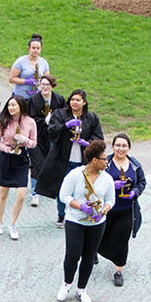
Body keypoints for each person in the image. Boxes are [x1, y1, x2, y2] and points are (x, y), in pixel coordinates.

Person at [55, 140, 115, 302]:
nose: (107, 162)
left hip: (97, 223)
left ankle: (82, 289)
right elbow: (64, 195)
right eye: (104, 159)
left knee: (89, 256)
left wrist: (104, 210)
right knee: (73, 254)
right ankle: (67, 283)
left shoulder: (107, 179)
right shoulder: (75, 175)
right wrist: (81, 206)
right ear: (95, 160)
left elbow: (111, 200)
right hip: (75, 220)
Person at [34, 89, 103, 228]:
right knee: (63, 188)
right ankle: (61, 215)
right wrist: (65, 126)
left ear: (84, 102)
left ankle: (79, 214)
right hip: (62, 159)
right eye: (72, 99)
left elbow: (98, 138)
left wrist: (87, 144)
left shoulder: (91, 118)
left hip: (82, 161)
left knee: (82, 189)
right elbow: (51, 132)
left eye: (78, 100)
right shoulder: (60, 114)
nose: (74, 102)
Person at [98, 133, 146, 287]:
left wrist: (135, 193)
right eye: (118, 145)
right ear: (112, 147)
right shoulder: (104, 163)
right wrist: (111, 186)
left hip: (126, 209)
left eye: (124, 145)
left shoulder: (135, 165)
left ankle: (118, 271)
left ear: (129, 148)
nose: (121, 148)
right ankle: (94, 251)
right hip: (107, 209)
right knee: (99, 236)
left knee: (122, 239)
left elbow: (142, 182)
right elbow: (94, 182)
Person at [0, 96, 37, 240]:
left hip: (21, 157)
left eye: (14, 105)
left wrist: (25, 140)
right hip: (7, 156)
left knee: (21, 195)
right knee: (3, 193)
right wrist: (7, 149)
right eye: (9, 105)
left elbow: (34, 143)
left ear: (21, 106)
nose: (11, 108)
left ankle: (13, 224)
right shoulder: (2, 121)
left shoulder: (30, 122)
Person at [27, 73, 65, 207]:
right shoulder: (34, 100)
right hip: (37, 136)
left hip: (52, 137)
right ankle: (35, 192)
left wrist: (54, 122)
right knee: (37, 164)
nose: (45, 87)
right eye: (42, 84)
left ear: (52, 86)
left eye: (47, 85)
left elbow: (64, 115)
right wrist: (44, 121)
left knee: (51, 162)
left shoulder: (59, 99)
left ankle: (49, 189)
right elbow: (30, 119)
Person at [8, 33, 49, 99]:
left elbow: (47, 80)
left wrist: (40, 88)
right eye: (33, 48)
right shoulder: (20, 61)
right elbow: (11, 79)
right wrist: (26, 81)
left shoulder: (44, 63)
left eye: (38, 48)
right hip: (20, 97)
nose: (35, 50)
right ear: (29, 48)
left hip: (36, 98)